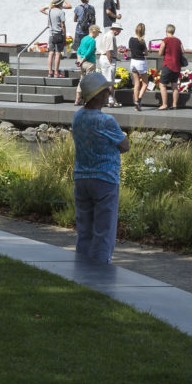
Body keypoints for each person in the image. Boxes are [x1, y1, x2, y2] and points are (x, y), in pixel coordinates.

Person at [72, 71, 130, 264]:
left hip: (82, 177)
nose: (109, 93)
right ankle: (100, 272)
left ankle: (82, 268)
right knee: (104, 230)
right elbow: (125, 146)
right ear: (98, 95)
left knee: (85, 228)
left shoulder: (77, 117)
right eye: (106, 90)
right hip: (105, 178)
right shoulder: (106, 120)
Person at [156, 23, 184, 111]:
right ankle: (174, 104)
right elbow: (183, 51)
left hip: (168, 65)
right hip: (177, 66)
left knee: (162, 85)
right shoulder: (178, 40)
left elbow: (160, 53)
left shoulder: (165, 40)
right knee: (174, 85)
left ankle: (164, 105)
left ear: (166, 31)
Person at [41, 0, 70, 77]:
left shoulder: (50, 11)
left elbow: (42, 10)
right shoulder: (61, 12)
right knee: (57, 54)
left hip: (51, 35)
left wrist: (48, 6)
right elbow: (63, 25)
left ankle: (50, 71)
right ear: (60, 4)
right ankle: (56, 72)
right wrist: (64, 35)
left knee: (50, 53)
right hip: (59, 35)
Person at [74, 24, 101, 105]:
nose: (98, 34)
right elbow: (89, 53)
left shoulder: (84, 38)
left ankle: (77, 100)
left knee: (82, 81)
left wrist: (79, 60)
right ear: (94, 31)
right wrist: (82, 60)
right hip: (90, 63)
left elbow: (79, 50)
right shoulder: (92, 40)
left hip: (82, 64)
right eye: (98, 32)